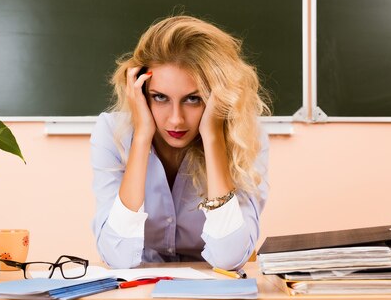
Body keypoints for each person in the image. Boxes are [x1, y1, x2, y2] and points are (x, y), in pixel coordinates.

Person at [91, 15, 269, 270]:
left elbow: (230, 257)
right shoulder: (112, 132)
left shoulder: (244, 136)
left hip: (215, 298)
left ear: (217, 97)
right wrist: (142, 137)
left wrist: (213, 136)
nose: (176, 120)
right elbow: (116, 257)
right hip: (141, 297)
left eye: (193, 99)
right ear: (140, 93)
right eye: (160, 97)